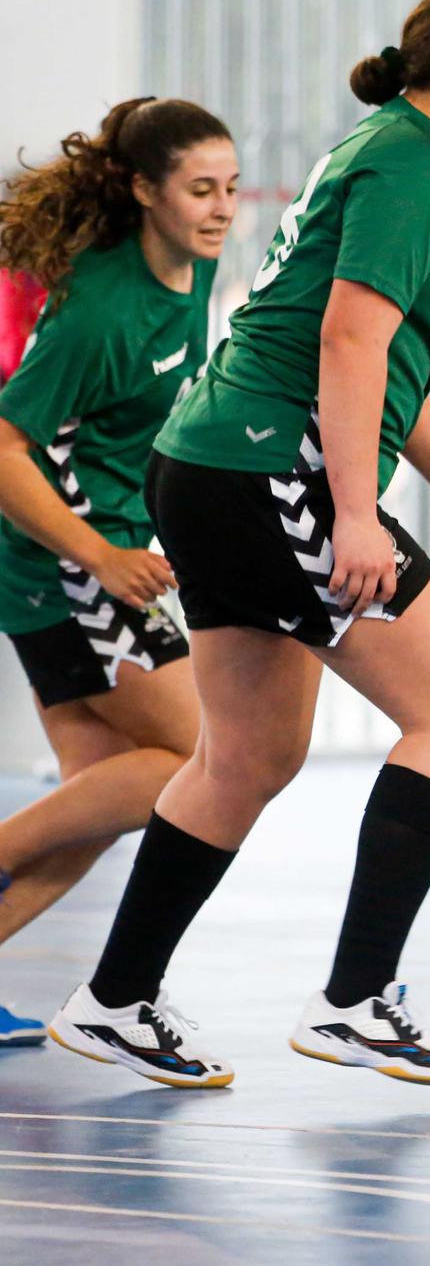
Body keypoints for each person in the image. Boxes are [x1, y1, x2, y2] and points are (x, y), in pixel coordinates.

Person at [47, 0, 430, 1089]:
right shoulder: (413, 167)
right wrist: (360, 517)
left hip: (215, 463)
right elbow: (349, 341)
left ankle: (114, 998)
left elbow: (384, 355)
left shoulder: (382, 151)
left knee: (250, 754)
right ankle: (356, 999)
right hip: (273, 468)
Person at [0, 99, 234, 1047]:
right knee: (196, 759)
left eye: (229, 186)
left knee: (96, 803)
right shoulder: (96, 309)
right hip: (64, 562)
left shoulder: (195, 265)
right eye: (198, 189)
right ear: (145, 190)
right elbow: (7, 447)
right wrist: (99, 553)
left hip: (108, 552)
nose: (221, 208)